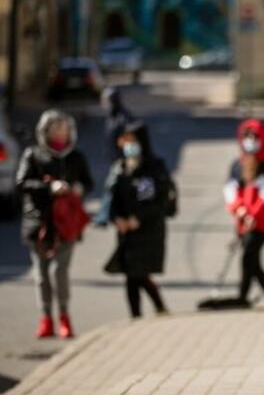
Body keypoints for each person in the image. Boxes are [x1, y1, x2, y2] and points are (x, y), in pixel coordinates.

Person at [16, 110, 94, 339]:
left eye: (64, 127)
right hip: (38, 224)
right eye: (55, 128)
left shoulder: (76, 157)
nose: (60, 132)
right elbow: (21, 183)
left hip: (66, 224)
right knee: (41, 275)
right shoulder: (33, 155)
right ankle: (46, 318)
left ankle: (64, 316)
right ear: (45, 131)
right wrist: (48, 188)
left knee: (58, 269)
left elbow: (88, 183)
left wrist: (77, 189)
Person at [106, 122, 174, 318]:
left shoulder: (152, 168)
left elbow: (157, 201)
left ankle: (147, 313)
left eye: (131, 141)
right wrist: (116, 218)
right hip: (126, 230)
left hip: (147, 230)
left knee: (137, 273)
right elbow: (112, 198)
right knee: (132, 274)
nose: (126, 145)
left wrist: (138, 218)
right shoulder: (120, 168)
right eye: (124, 141)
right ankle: (142, 314)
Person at [223, 119, 264, 308]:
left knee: (249, 256)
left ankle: (247, 296)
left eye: (254, 137)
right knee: (251, 259)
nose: (250, 141)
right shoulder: (237, 166)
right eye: (247, 137)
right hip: (243, 220)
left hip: (262, 223)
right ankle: (261, 297)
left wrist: (252, 216)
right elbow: (230, 191)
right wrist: (240, 211)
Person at [94, 87, 134, 227]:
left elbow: (130, 140)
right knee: (112, 188)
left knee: (111, 187)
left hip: (122, 161)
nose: (103, 103)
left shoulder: (123, 118)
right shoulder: (112, 115)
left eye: (105, 100)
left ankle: (104, 217)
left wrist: (127, 160)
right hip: (115, 159)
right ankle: (104, 216)